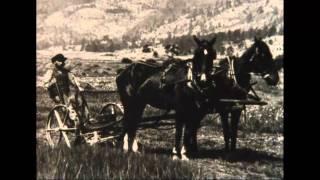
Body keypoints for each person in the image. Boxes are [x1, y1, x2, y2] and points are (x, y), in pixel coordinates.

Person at [43, 53, 88, 144]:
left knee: (77, 105)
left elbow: (73, 81)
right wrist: (51, 84)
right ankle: (70, 124)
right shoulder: (51, 71)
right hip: (57, 94)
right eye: (60, 61)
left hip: (66, 93)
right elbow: (45, 83)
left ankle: (79, 125)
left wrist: (79, 86)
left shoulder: (66, 71)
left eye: (63, 61)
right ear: (55, 62)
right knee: (66, 109)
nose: (62, 63)